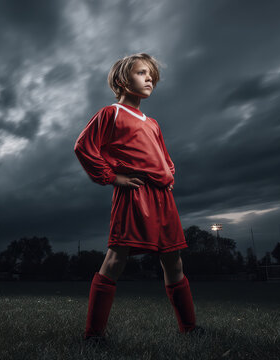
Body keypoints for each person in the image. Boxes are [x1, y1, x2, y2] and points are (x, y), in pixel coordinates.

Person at [74, 53, 202, 343]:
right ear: (122, 80)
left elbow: (164, 157)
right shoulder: (112, 113)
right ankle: (93, 335)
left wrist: (169, 174)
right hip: (134, 192)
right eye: (142, 73)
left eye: (152, 76)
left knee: (174, 261)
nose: (149, 79)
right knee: (116, 258)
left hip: (162, 199)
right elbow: (83, 147)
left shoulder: (153, 123)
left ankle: (190, 328)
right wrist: (113, 177)